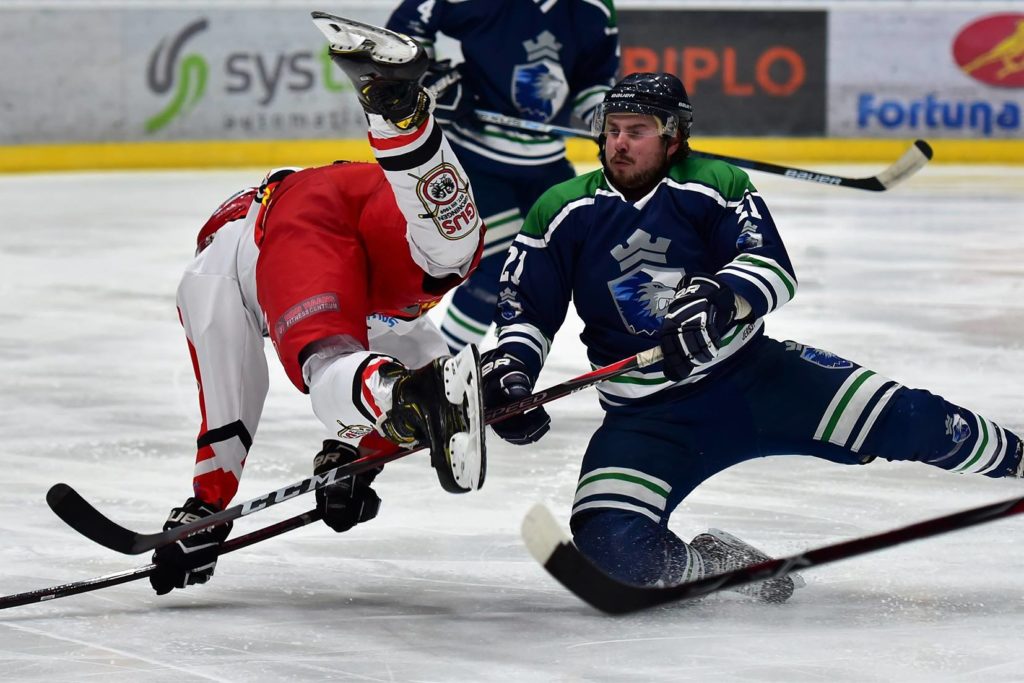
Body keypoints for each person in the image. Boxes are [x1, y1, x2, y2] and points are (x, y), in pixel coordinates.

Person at [479, 72, 1024, 602]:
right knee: (612, 547)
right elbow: (526, 307)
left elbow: (772, 267)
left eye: (637, 131)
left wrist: (720, 297)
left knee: (921, 422)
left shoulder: (715, 186)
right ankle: (723, 563)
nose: (618, 144)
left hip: (757, 379)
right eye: (612, 128)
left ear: (673, 138)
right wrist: (512, 370)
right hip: (647, 419)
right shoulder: (562, 209)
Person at [149, 17, 488, 596]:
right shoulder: (220, 271)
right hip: (354, 189)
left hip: (300, 217)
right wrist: (357, 457)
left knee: (327, 356)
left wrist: (205, 509)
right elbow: (437, 376)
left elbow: (228, 406)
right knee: (453, 254)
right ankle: (396, 111)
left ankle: (392, 103)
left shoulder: (210, 271)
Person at [386, 0, 620, 353]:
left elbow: (595, 77)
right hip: (475, 162)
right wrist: (427, 78)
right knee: (499, 270)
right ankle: (442, 371)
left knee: (585, 263)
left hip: (547, 166)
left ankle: (509, 364)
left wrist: (608, 123)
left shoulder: (593, 8)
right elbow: (406, 30)